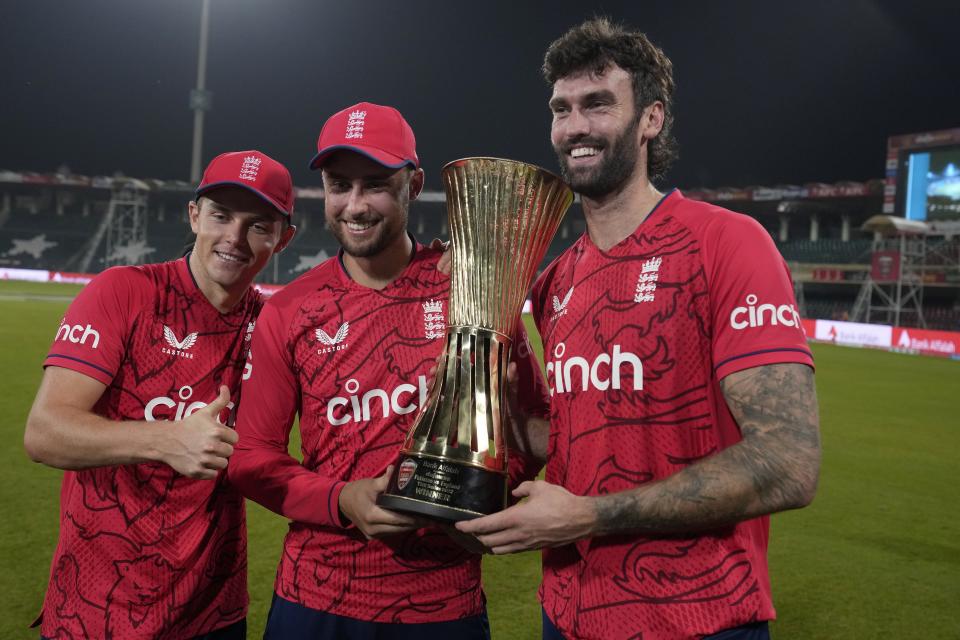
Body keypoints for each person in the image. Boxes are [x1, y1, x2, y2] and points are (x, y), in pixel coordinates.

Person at [457, 18, 821, 640]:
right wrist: (490, 399)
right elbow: (576, 434)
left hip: (697, 617)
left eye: (598, 104)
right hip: (566, 612)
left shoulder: (725, 245)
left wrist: (589, 517)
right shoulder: (554, 281)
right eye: (561, 108)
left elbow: (789, 462)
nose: (574, 127)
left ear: (651, 118)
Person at [227, 102, 548, 639]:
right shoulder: (289, 310)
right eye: (338, 185)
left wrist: (480, 501)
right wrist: (341, 499)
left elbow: (535, 428)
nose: (354, 205)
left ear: (414, 184)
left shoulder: (474, 294)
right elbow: (250, 457)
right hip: (316, 598)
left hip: (443, 603)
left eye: (374, 184)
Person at [24, 150, 297, 639]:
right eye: (221, 215)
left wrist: (437, 274)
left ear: (283, 240)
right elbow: (44, 433)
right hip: (97, 608)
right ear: (194, 215)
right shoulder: (123, 292)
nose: (233, 238)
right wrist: (167, 440)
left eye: (258, 225)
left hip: (215, 615)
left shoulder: (273, 324)